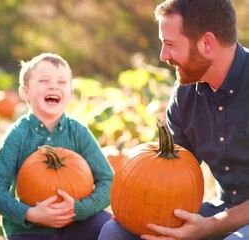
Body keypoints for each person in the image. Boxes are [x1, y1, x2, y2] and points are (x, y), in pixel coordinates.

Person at [98, 0, 249, 239]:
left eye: (170, 44)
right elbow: (172, 169)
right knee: (115, 232)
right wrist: (135, 207)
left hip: (231, 223)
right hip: (222, 211)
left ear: (206, 43)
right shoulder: (185, 94)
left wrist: (210, 226)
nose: (163, 55)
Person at [0, 52, 113, 240]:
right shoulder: (18, 135)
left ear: (70, 93)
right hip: (29, 231)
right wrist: (30, 213)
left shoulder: (78, 133)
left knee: (108, 227)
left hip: (77, 225)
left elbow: (107, 180)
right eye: (44, 81)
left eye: (61, 82)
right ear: (25, 92)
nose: (53, 86)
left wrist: (79, 208)